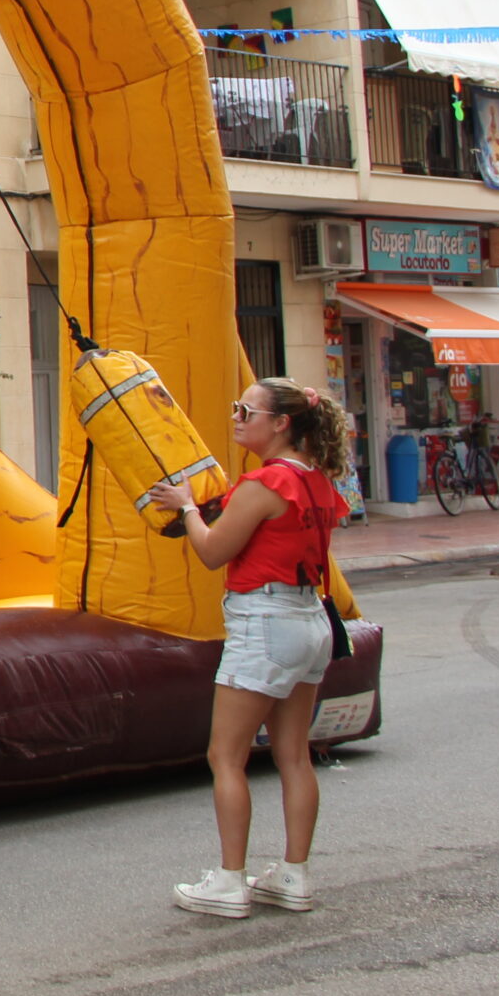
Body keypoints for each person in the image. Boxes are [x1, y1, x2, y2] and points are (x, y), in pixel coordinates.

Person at [149, 376, 351, 920]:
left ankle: (230, 881)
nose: (237, 417)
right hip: (309, 620)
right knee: (294, 755)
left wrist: (188, 507)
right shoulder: (316, 482)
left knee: (226, 756)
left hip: (265, 622)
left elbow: (214, 552)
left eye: (246, 410)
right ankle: (294, 874)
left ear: (281, 423)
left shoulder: (265, 484)